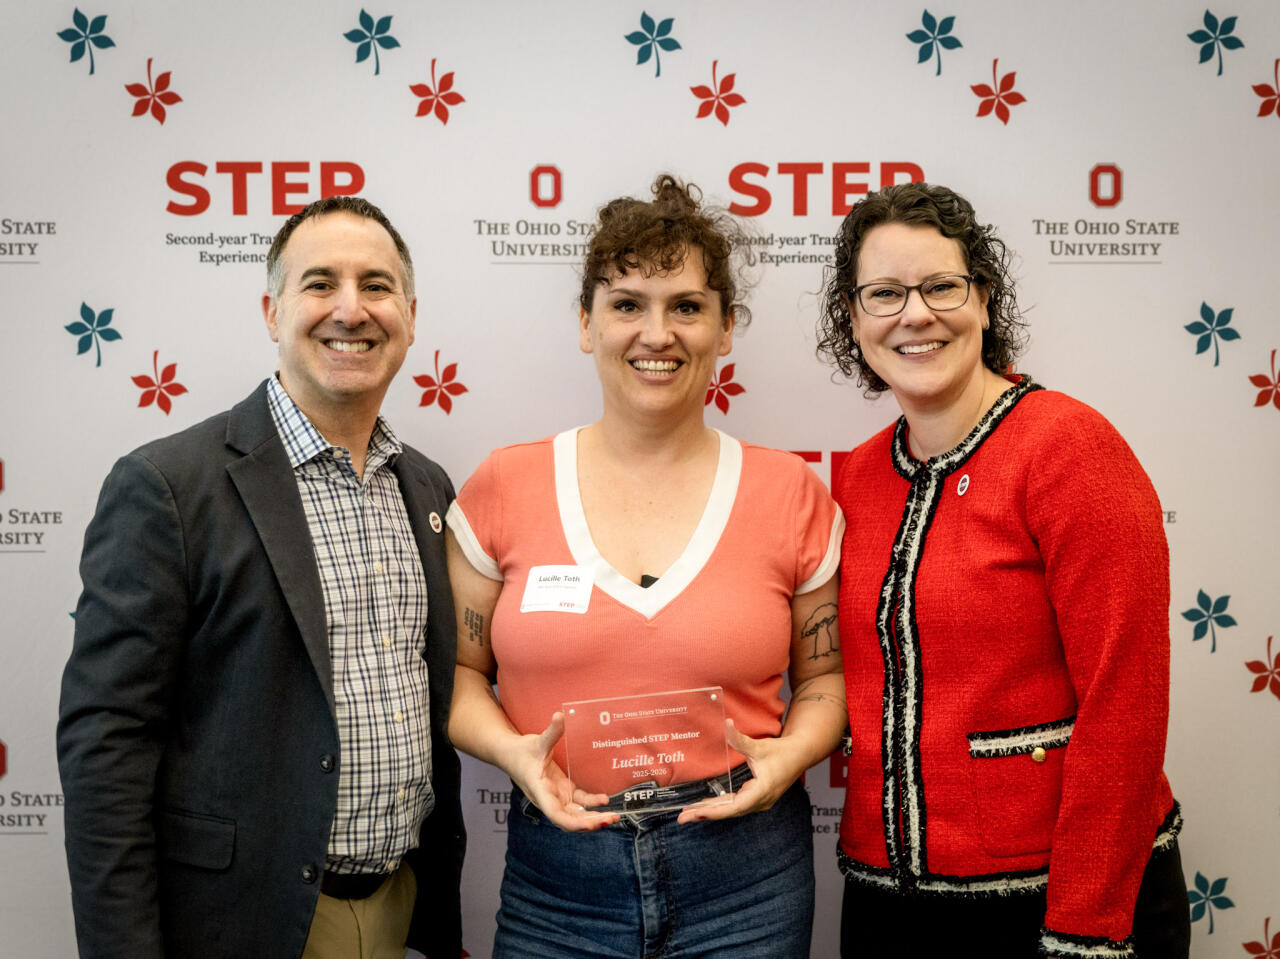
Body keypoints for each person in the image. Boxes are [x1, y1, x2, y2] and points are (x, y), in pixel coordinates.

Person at [445, 174, 847, 958]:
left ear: (726, 328)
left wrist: (786, 758)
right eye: (627, 303)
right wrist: (510, 753)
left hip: (748, 882)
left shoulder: (792, 492)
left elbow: (826, 683)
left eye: (687, 306)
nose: (656, 332)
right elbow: (461, 678)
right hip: (556, 887)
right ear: (587, 325)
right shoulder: (503, 485)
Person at [57, 196, 465, 959]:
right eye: (320, 284)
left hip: (399, 904)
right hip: (241, 919)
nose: (351, 309)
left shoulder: (428, 488)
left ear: (409, 314)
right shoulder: (169, 486)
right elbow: (107, 743)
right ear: (272, 310)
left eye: (376, 286)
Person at [815, 182, 1187, 958]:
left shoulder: (1070, 449)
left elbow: (1126, 702)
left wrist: (1084, 929)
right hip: (887, 903)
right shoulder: (855, 476)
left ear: (983, 300)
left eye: (942, 286)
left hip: (1060, 903)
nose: (915, 314)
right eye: (883, 294)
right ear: (853, 320)